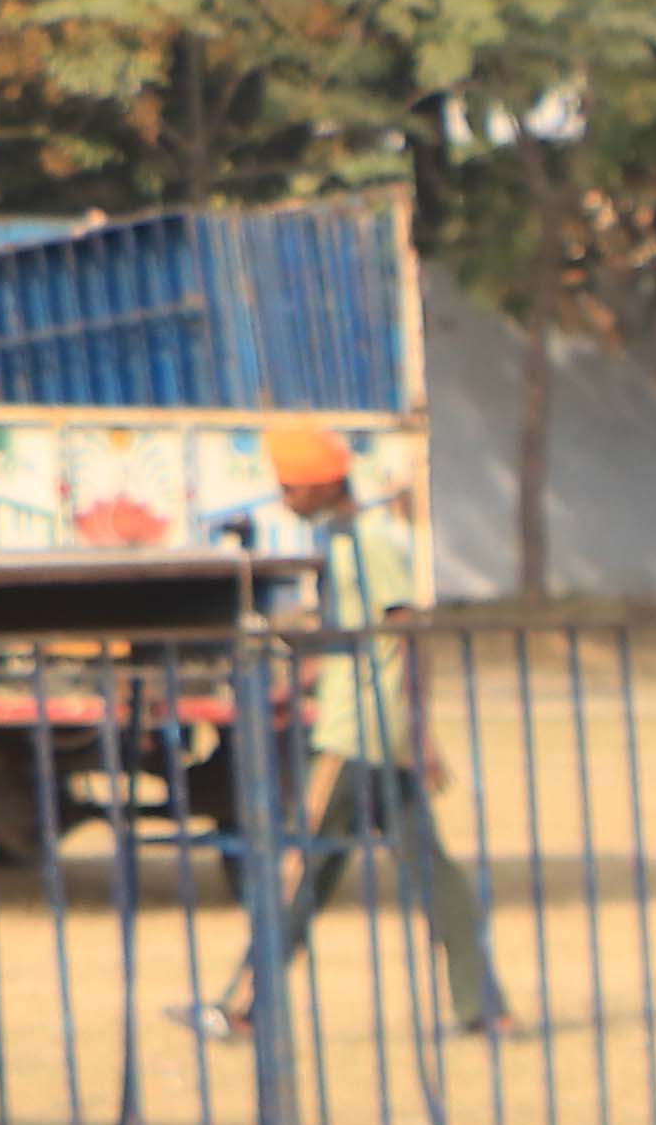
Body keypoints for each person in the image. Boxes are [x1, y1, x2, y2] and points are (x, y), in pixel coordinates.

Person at [216, 414, 507, 1036]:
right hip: (377, 736)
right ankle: (484, 1006)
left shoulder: (370, 543)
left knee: (299, 872)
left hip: (353, 739)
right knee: (432, 874)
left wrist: (419, 734)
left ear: (324, 485)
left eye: (291, 486)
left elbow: (407, 637)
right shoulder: (339, 541)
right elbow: (356, 641)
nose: (284, 497)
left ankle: (240, 1007)